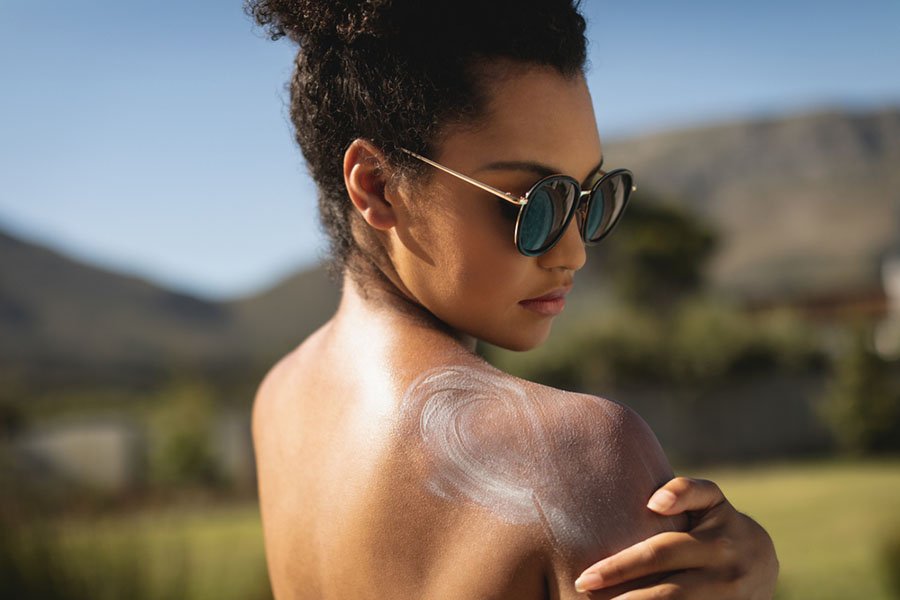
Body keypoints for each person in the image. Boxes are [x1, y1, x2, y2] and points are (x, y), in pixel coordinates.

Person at [245, 1, 779, 598]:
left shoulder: (278, 401)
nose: (573, 252)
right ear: (378, 186)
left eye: (587, 198)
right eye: (534, 203)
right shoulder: (580, 456)